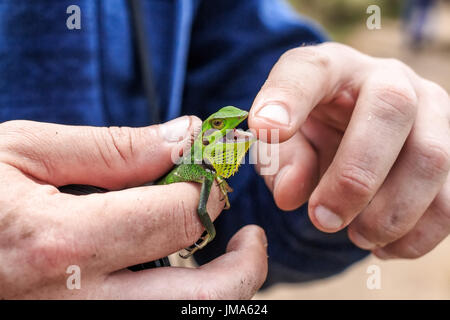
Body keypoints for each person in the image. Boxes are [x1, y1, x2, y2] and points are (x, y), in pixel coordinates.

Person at [0, 0, 448, 299]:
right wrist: (202, 224)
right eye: (221, 129)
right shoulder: (198, 160)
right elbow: (198, 205)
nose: (233, 131)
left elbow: (241, 61)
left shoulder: (218, 152)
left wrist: (339, 156)